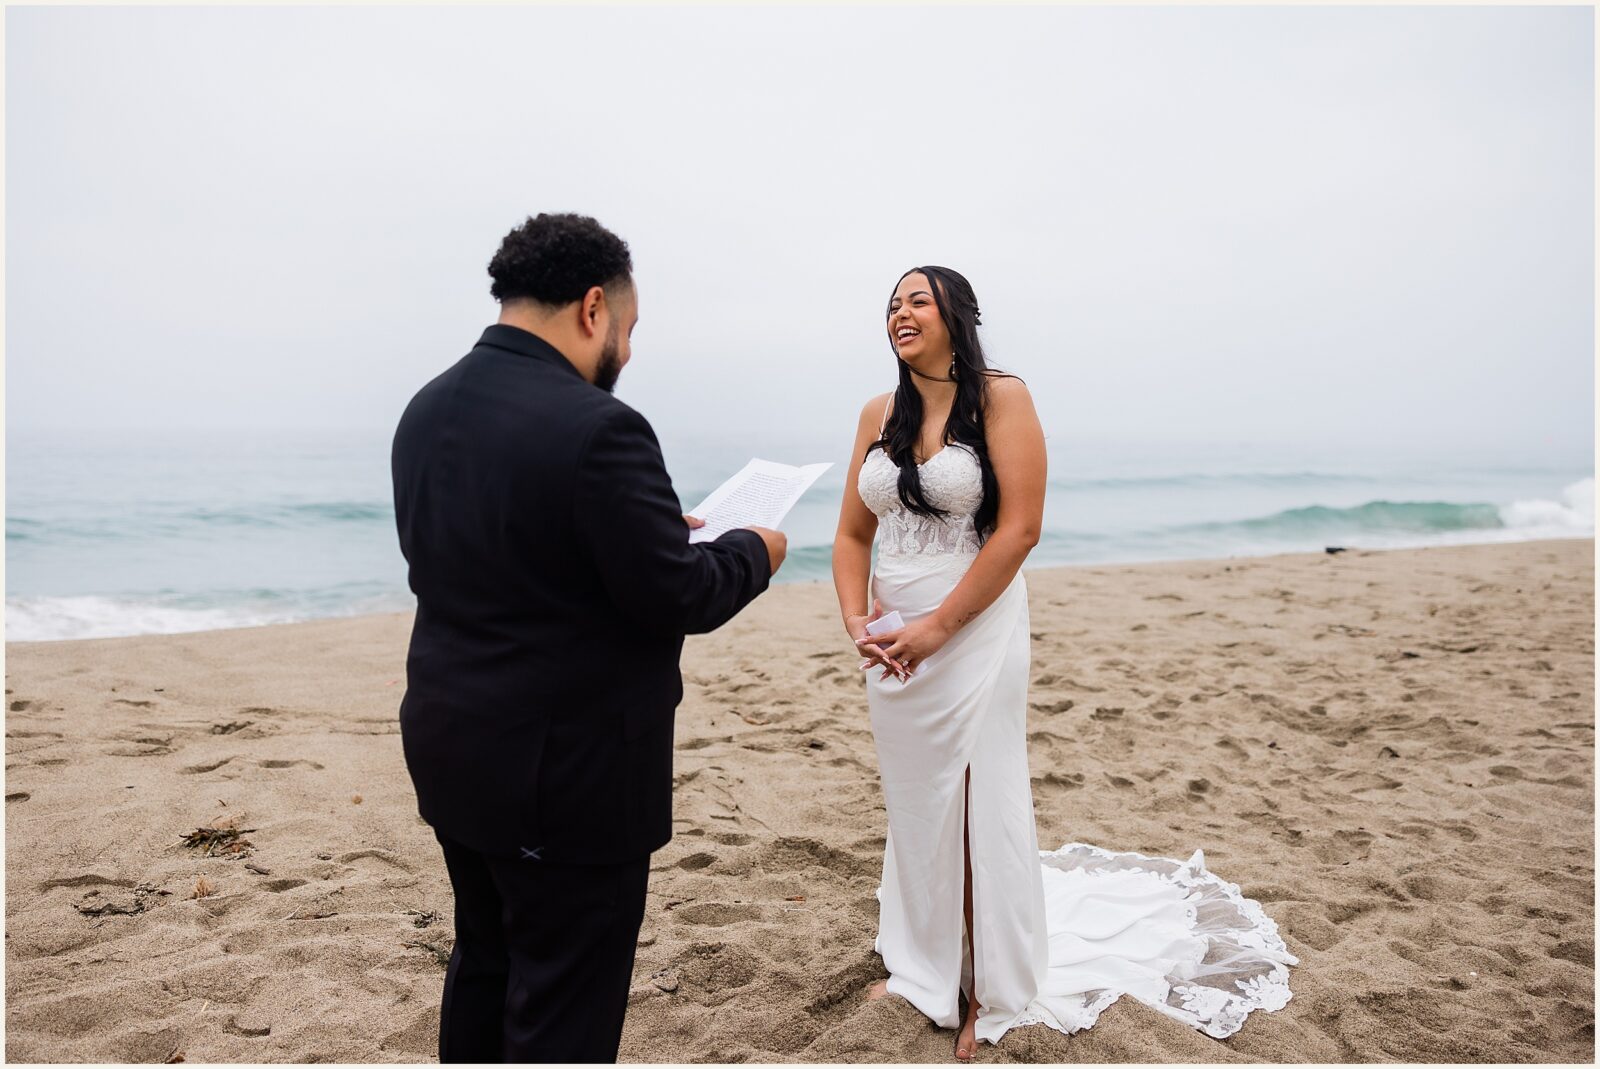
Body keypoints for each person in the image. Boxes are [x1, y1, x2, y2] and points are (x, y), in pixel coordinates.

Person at [832, 266, 1299, 1059]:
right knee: (919, 804)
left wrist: (941, 627)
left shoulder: (1001, 397)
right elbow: (850, 535)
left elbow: (1019, 529)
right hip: (893, 639)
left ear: (957, 316)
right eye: (892, 304)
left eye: (917, 299)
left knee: (981, 796)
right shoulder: (878, 412)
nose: (900, 313)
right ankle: (923, 968)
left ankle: (992, 988)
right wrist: (857, 621)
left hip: (970, 625)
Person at [391, 213, 786, 1063]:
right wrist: (757, 548)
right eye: (633, 330)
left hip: (451, 745)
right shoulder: (600, 426)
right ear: (594, 308)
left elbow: (493, 556)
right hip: (565, 777)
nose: (630, 353)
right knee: (564, 999)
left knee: (488, 958)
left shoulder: (423, 410)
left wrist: (635, 529)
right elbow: (681, 593)